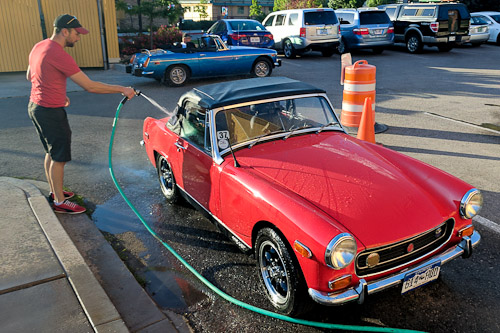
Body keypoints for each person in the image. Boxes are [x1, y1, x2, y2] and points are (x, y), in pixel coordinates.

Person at [27, 14, 136, 214]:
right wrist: (122, 89)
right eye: (77, 34)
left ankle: (55, 191)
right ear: (64, 31)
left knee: (51, 152)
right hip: (50, 111)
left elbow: (30, 75)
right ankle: (60, 202)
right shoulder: (58, 54)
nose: (78, 38)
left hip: (36, 107)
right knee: (59, 157)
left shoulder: (39, 46)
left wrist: (58, 93)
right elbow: (90, 86)